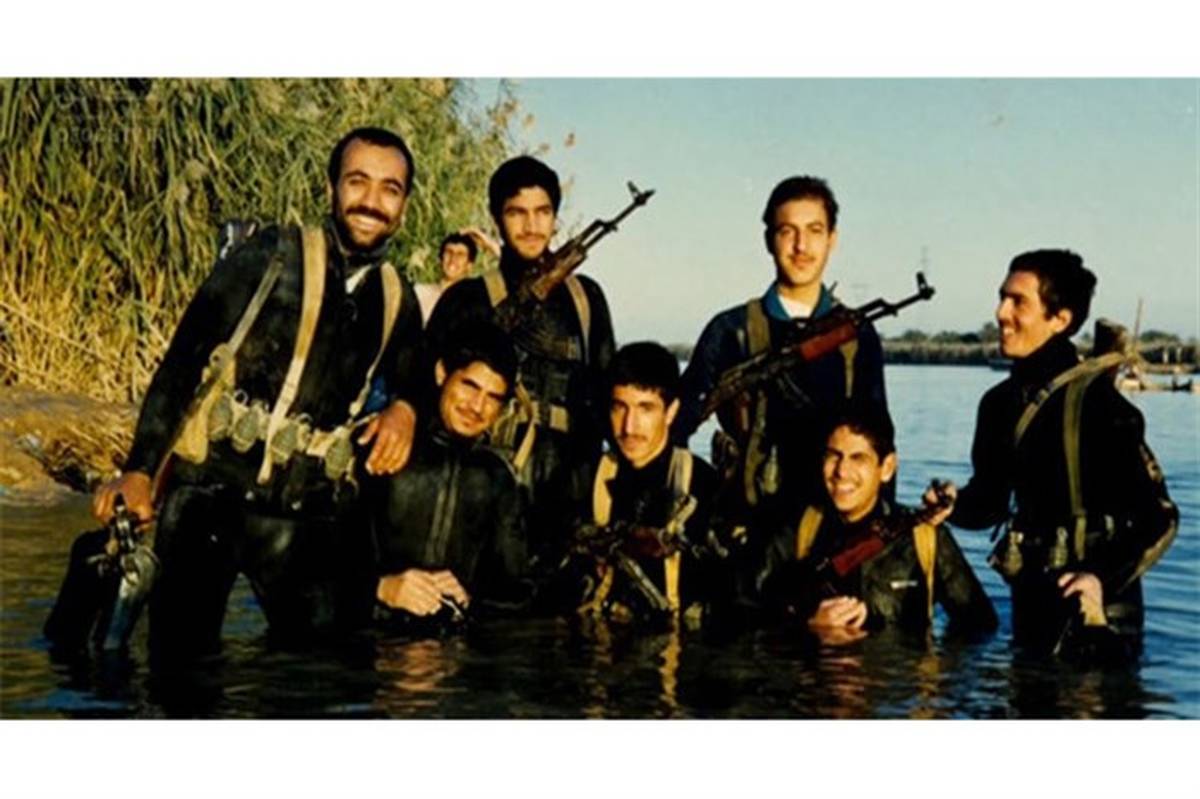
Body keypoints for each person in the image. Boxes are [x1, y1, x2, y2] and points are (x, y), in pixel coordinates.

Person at [46, 127, 424, 657]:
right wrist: (139, 470)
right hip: (210, 496)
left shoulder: (396, 298)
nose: (371, 201)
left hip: (301, 515)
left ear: (403, 206)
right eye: (357, 181)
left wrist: (405, 409)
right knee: (180, 667)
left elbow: (415, 375)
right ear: (331, 188)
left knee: (323, 674)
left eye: (390, 189)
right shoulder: (270, 255)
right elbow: (183, 360)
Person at [931, 249, 1177, 656]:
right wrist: (952, 505)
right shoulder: (998, 404)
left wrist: (1098, 579)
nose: (1000, 313)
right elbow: (989, 503)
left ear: (1060, 320)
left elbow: (1160, 517)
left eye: (1018, 302)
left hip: (1100, 617)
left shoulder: (1100, 406)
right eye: (1002, 297)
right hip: (1032, 605)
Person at [425, 155, 616, 569]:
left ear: (555, 219)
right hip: (484, 482)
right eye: (517, 213)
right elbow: (427, 392)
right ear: (497, 219)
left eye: (542, 212)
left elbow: (609, 397)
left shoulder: (586, 299)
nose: (531, 226)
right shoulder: (468, 298)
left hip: (570, 489)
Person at [673, 175, 889, 520]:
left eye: (814, 230)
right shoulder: (731, 330)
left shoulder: (856, 336)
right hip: (745, 524)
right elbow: (676, 427)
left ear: (832, 239)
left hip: (829, 526)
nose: (801, 246)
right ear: (769, 240)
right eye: (788, 231)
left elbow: (880, 442)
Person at [753, 409, 997, 642]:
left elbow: (981, 629)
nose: (841, 471)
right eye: (833, 455)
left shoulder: (925, 540)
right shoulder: (798, 532)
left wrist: (934, 667)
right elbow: (744, 616)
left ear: (887, 468)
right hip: (815, 670)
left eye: (858, 458)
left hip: (898, 671)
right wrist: (807, 626)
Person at [371, 322, 530, 633]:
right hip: (368, 641)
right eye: (470, 386)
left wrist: (470, 600)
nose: (477, 407)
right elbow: (315, 563)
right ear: (441, 373)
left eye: (493, 397)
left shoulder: (497, 478)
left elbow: (516, 592)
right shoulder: (385, 444)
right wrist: (382, 589)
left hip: (452, 647)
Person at [558, 342, 722, 623]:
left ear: (671, 412)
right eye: (620, 408)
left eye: (645, 409)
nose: (629, 427)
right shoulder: (584, 480)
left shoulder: (704, 486)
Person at [414, 229, 497, 325]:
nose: (453, 259)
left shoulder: (476, 299)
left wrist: (489, 243)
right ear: (441, 259)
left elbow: (511, 272)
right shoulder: (421, 292)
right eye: (449, 252)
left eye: (460, 254)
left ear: (469, 265)